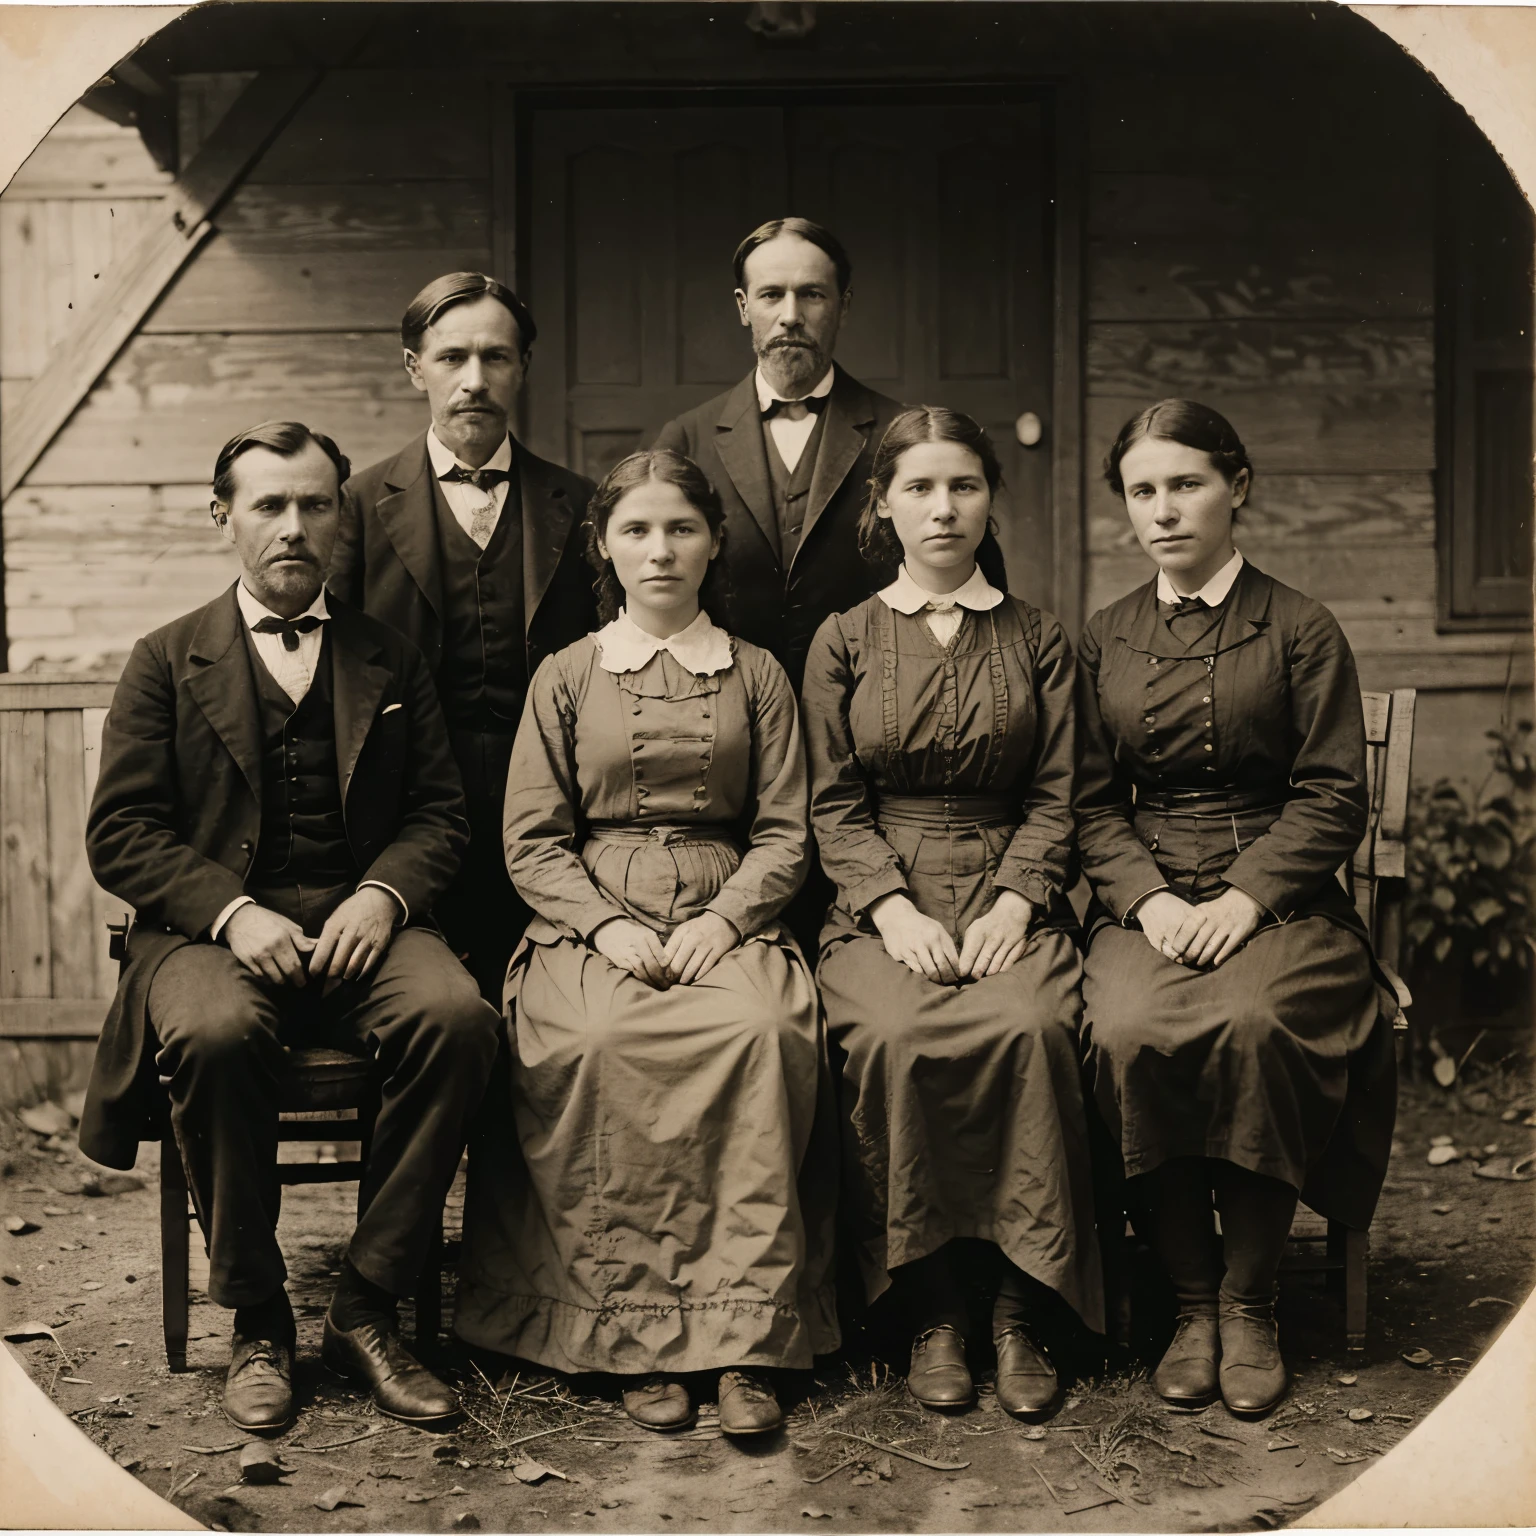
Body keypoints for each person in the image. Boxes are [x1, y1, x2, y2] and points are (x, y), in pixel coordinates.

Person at [79, 422, 501, 1434]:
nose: (293, 527)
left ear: (340, 517)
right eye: (269, 504)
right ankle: (260, 1317)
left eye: (315, 504)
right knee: (215, 1034)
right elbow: (121, 832)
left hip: (365, 925)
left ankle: (365, 1306)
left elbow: (440, 815)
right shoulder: (164, 660)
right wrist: (229, 912)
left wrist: (384, 895)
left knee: (459, 1018)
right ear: (223, 515)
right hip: (209, 934)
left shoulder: (388, 657)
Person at [455, 449, 836, 1438]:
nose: (659, 550)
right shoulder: (568, 675)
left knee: (762, 1030)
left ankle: (745, 1341)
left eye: (680, 529)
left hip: (727, 912)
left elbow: (787, 830)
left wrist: (722, 921)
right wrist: (611, 928)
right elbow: (532, 841)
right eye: (636, 530)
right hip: (594, 916)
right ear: (607, 546)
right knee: (588, 1044)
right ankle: (626, 1333)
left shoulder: (756, 674)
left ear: (713, 545)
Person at [1075, 399, 1399, 1419]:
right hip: (1153, 898)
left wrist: (1252, 896)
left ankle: (1250, 1298)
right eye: (1143, 491)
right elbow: (1087, 801)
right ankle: (1189, 1304)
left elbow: (1335, 793)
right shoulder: (1107, 637)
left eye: (1186, 484)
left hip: (1286, 901)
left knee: (1257, 1024)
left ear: (1237, 486)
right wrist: (1149, 900)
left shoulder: (1300, 627)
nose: (1165, 510)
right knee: (1128, 1028)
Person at [800, 407, 1103, 1421]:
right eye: (919, 489)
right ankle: (929, 1306)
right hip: (883, 889)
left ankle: (1022, 1307)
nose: (943, 509)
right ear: (884, 505)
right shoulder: (842, 639)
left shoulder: (1039, 637)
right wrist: (888, 907)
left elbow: (1062, 794)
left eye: (963, 487)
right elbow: (832, 801)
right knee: (887, 1031)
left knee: (1034, 1027)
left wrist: (1019, 898)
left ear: (989, 499)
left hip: (1012, 880)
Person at [330, 272, 597, 1000]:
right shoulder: (356, 505)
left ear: (523, 368)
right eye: (452, 358)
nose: (474, 380)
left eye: (496, 358)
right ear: (415, 367)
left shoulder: (581, 503)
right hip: (409, 812)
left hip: (554, 808)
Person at [652, 217, 1005, 691]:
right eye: (771, 294)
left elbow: (978, 582)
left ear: (843, 306)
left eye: (813, 294)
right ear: (743, 306)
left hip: (877, 700)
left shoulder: (908, 436)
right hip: (727, 703)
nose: (791, 315)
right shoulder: (686, 439)